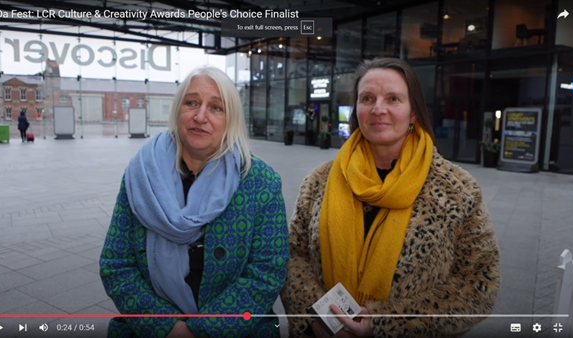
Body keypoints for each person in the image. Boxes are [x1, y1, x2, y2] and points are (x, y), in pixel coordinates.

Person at [281, 57, 500, 338]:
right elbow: (293, 255)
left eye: (393, 99)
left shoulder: (457, 190)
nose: (378, 109)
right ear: (356, 108)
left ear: (413, 113)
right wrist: (317, 320)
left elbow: (479, 281)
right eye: (367, 98)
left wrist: (387, 324)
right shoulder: (318, 182)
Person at [100, 67, 290, 338]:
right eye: (192, 103)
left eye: (216, 107)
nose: (200, 117)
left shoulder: (261, 182)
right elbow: (116, 264)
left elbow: (266, 273)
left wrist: (204, 331)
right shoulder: (140, 175)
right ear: (178, 110)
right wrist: (166, 327)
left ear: (231, 119)